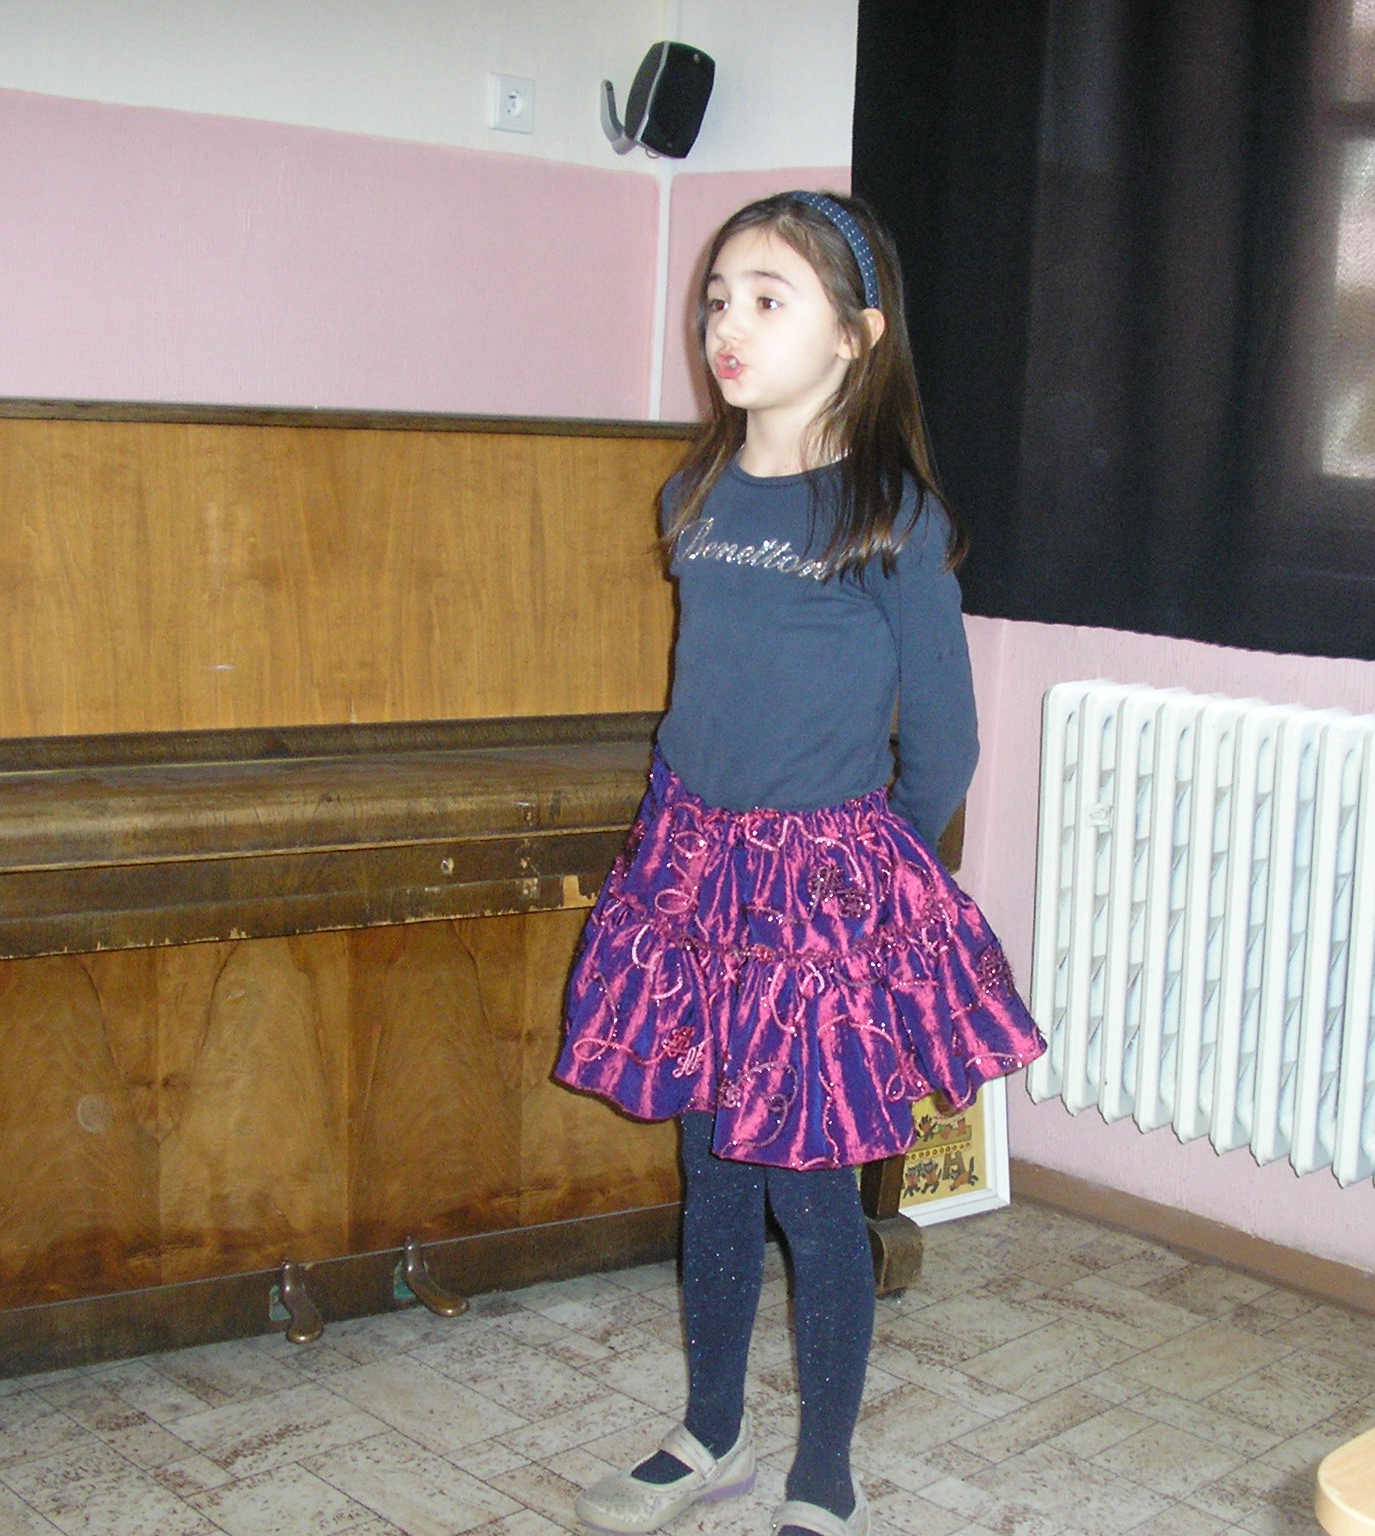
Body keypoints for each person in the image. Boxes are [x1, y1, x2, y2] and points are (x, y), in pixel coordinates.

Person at [553, 191, 1043, 1536]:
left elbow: (943, 739)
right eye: (718, 296)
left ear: (854, 336)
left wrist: (871, 877)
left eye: (770, 299)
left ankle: (825, 1466)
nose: (729, 323)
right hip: (694, 875)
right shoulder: (695, 494)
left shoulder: (889, 516)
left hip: (820, 895)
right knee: (712, 1166)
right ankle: (710, 1433)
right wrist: (677, 839)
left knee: (812, 1193)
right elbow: (698, 691)